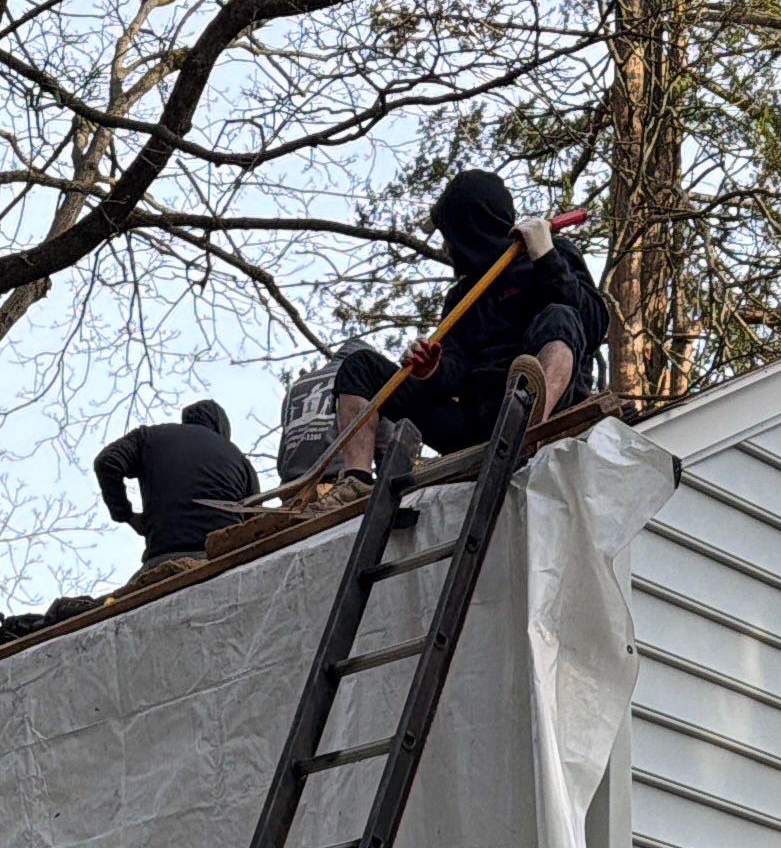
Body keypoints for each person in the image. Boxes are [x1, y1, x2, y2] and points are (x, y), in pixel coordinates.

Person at [314, 168, 607, 478]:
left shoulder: (551, 254)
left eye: (449, 235)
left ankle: (527, 430)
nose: (446, 246)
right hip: (478, 424)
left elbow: (591, 325)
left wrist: (546, 258)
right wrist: (432, 369)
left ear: (468, 228)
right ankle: (355, 479)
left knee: (560, 314)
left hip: (545, 409)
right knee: (360, 366)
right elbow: (454, 371)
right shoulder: (462, 297)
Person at [92, 399, 260, 576]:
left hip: (164, 564)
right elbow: (255, 525)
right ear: (222, 428)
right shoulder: (240, 461)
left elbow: (107, 461)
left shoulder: (150, 438)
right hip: (225, 560)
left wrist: (126, 515)